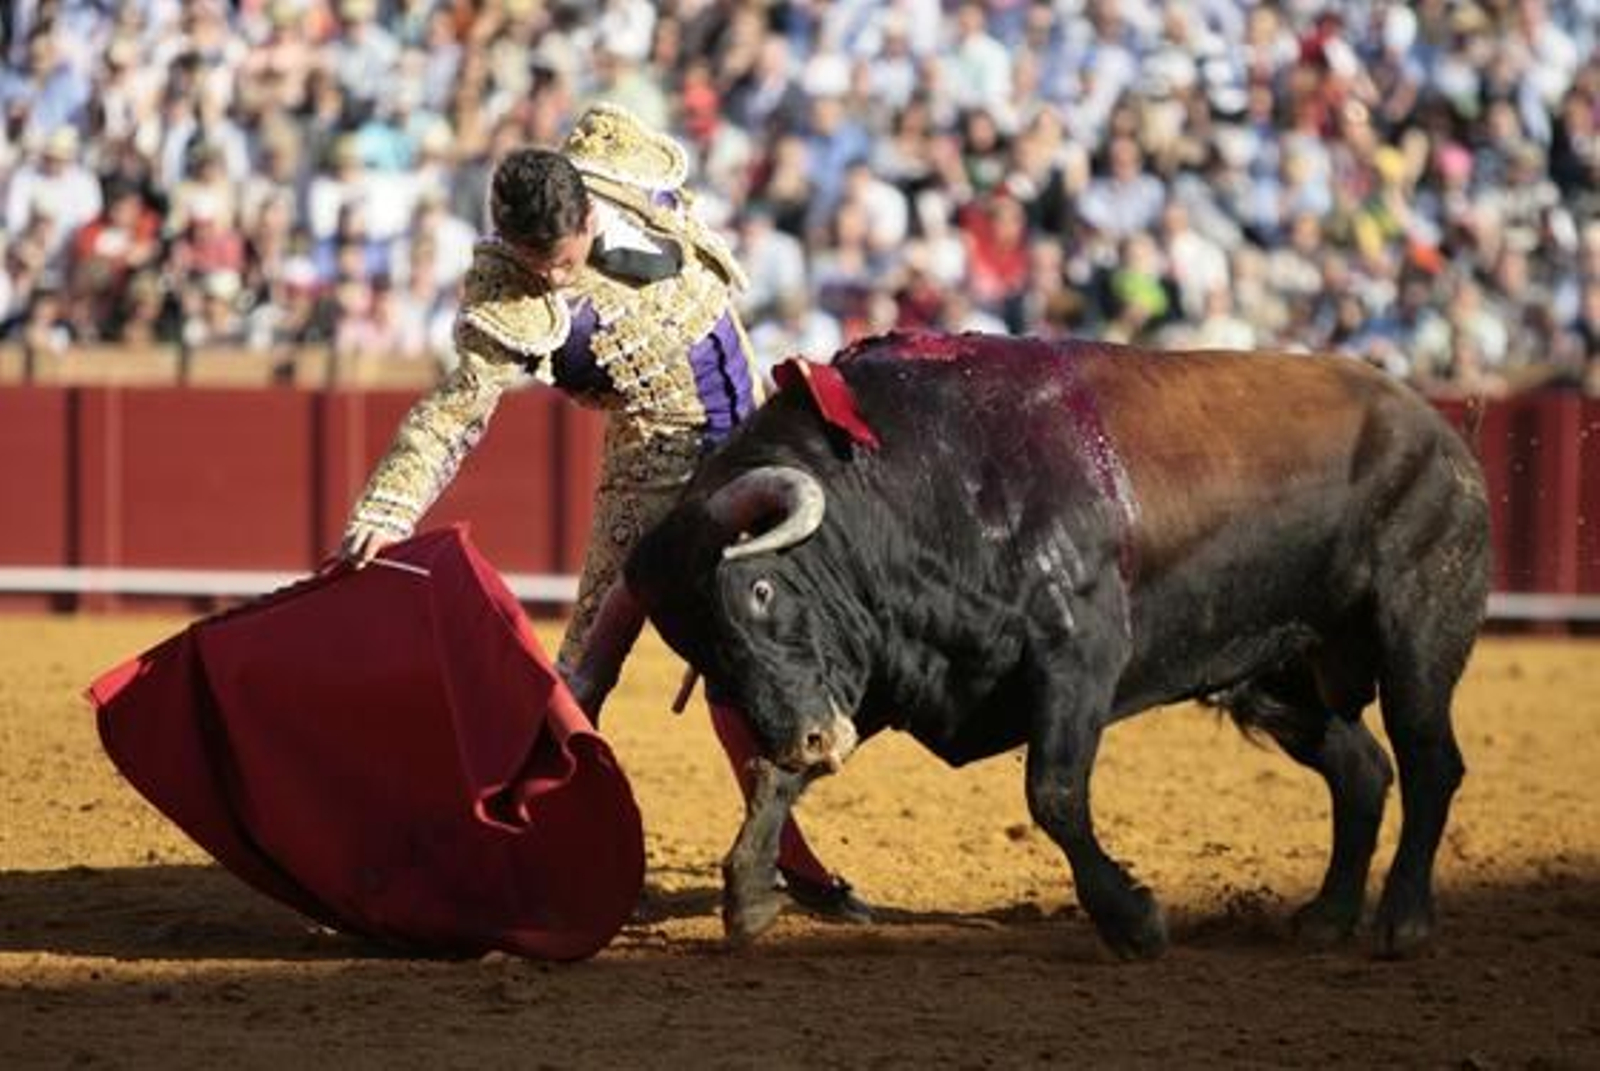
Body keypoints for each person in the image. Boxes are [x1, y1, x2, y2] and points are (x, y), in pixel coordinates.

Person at [337, 103, 869, 923]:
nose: (550, 277)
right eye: (531, 260)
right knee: (589, 665)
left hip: (764, 435)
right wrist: (390, 502)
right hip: (661, 483)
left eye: (560, 256)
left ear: (589, 211)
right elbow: (454, 411)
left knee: (780, 641)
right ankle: (497, 842)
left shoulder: (623, 163)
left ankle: (786, 853)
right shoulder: (508, 295)